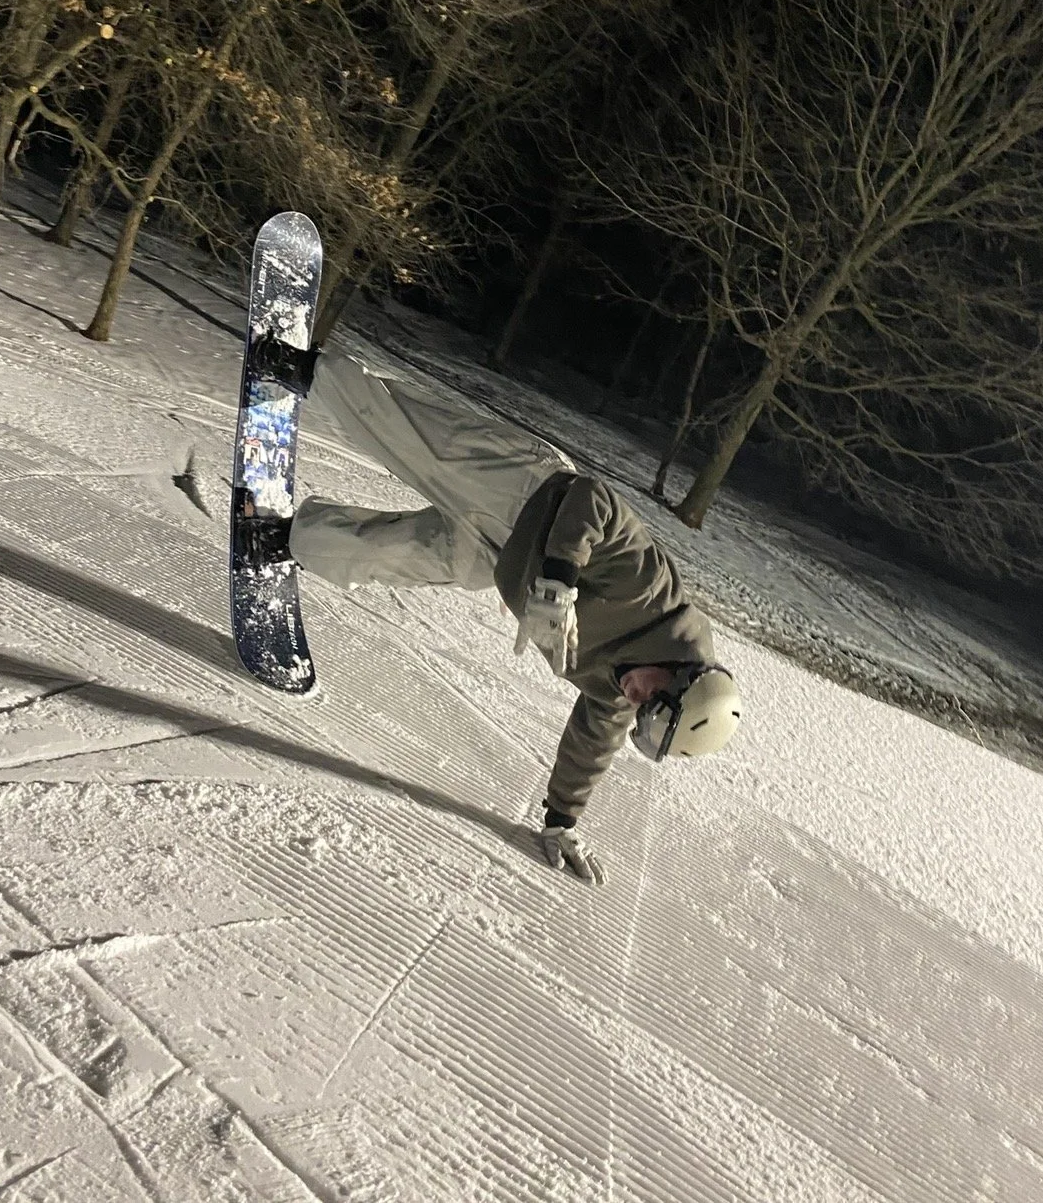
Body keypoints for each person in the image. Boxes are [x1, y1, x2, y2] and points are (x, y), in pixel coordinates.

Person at [245, 334, 743, 887]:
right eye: (651, 699)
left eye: (642, 716)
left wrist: (560, 822)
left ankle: (286, 540)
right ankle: (300, 368)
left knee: (393, 556)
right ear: (679, 672)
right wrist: (559, 582)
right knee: (404, 436)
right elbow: (594, 499)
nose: (635, 700)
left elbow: (588, 751)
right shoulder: (648, 589)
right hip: (525, 490)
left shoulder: (618, 692)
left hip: (499, 559)